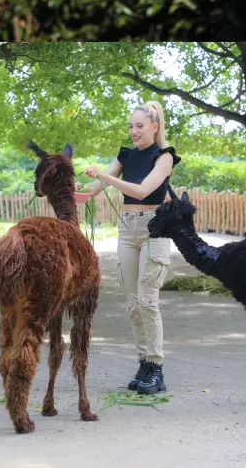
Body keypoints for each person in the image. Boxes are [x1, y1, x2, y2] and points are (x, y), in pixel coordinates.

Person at [80, 100, 181, 396]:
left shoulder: (165, 157)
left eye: (139, 126)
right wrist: (64, 189)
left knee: (148, 300)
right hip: (126, 229)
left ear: (154, 126)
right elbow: (92, 192)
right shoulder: (125, 155)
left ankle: (156, 366)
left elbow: (141, 190)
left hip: (154, 228)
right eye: (130, 126)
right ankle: (143, 364)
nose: (134, 131)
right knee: (133, 303)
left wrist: (106, 176)